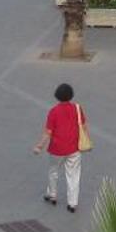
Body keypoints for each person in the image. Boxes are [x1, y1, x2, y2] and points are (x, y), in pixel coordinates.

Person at [34, 82, 87, 213]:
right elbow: (84, 126)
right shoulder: (77, 108)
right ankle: (72, 203)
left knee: (53, 171)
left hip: (57, 149)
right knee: (73, 175)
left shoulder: (53, 111)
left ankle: (52, 194)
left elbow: (48, 132)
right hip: (74, 148)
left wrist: (39, 146)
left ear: (57, 96)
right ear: (71, 95)